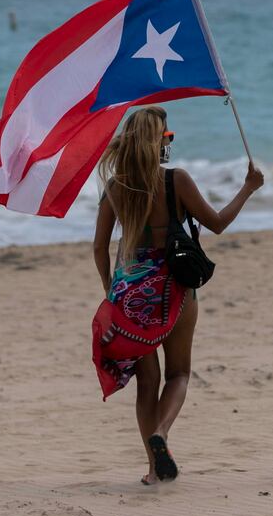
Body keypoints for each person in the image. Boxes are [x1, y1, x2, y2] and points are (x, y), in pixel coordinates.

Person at [92, 105, 264, 485]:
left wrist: (111, 289)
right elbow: (217, 224)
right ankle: (162, 434)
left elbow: (99, 246)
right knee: (180, 372)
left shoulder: (116, 187)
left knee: (146, 382)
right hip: (174, 288)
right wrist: (248, 189)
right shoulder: (176, 181)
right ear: (159, 143)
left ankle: (154, 471)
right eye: (168, 137)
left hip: (130, 294)